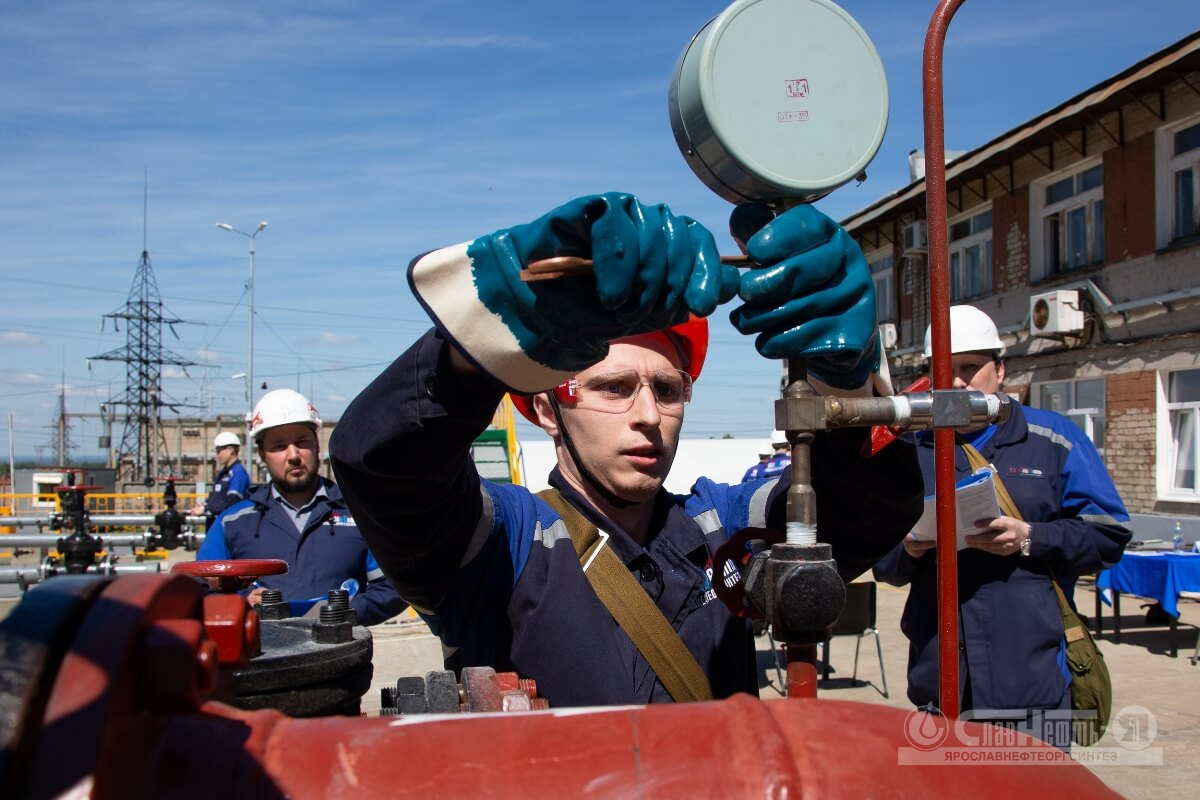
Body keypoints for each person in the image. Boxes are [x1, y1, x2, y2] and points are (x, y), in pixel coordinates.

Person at [329, 193, 923, 705]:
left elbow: (863, 509)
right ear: (545, 410)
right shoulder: (502, 543)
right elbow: (386, 468)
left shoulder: (721, 532)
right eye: (613, 388)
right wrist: (490, 333)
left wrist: (848, 382)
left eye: (667, 390)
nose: (648, 416)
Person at [873, 304, 1131, 748]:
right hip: (942, 685)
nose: (957, 382)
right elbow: (881, 560)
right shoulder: (911, 448)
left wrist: (1030, 537)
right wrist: (910, 547)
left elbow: (1108, 535)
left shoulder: (1053, 439)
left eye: (970, 367)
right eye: (944, 370)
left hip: (1032, 683)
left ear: (1000, 369)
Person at [197, 389, 407, 626]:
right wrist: (242, 602)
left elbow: (394, 586)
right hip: (261, 649)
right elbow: (196, 589)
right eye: (279, 446)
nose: (293, 455)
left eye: (301, 442)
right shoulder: (233, 522)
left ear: (317, 446)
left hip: (342, 648)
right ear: (262, 455)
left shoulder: (359, 513)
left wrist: (347, 611)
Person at [191, 431, 251, 525]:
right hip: (217, 523)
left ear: (230, 450)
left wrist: (206, 508)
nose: (217, 455)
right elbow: (217, 499)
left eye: (219, 451)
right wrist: (206, 505)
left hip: (229, 527)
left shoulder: (238, 473)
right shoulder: (223, 473)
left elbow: (233, 502)